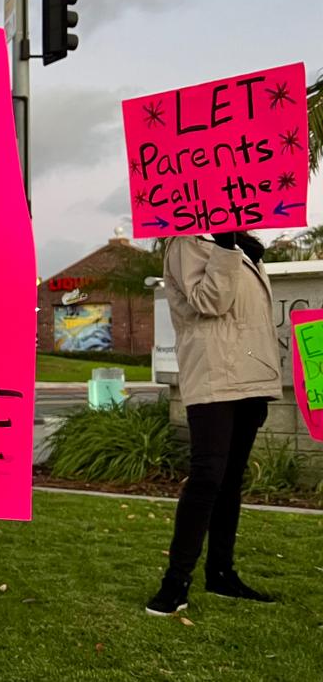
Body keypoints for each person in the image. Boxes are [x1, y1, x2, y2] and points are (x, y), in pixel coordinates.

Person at [146, 231, 280, 616]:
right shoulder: (185, 242)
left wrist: (242, 251)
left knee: (230, 481)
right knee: (207, 478)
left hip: (250, 377)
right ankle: (175, 584)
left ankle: (221, 573)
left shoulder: (236, 244)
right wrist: (226, 248)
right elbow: (210, 302)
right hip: (213, 377)